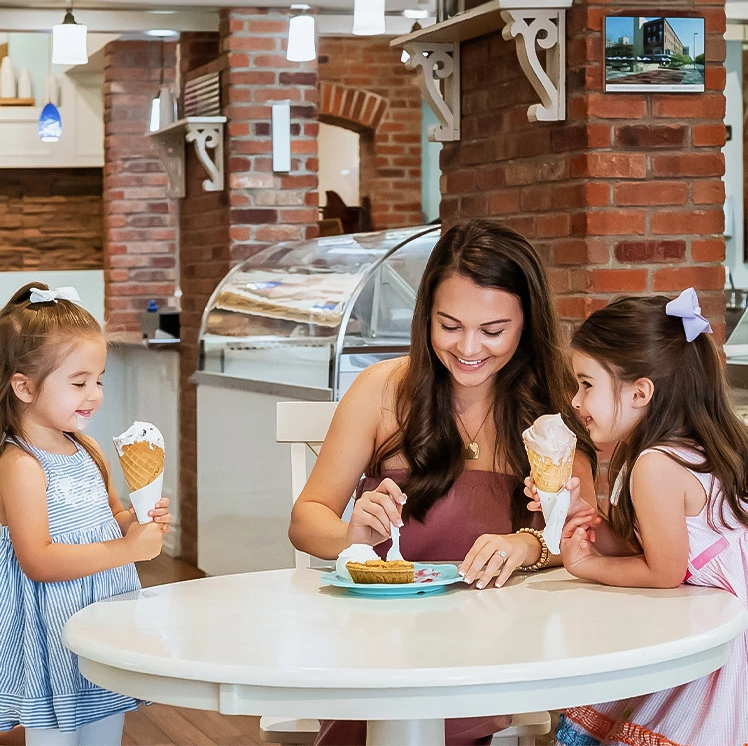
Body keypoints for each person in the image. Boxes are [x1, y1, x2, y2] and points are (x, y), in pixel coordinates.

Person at [289, 219, 598, 746]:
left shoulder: (554, 410)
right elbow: (305, 519)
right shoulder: (384, 390)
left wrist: (526, 545)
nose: (468, 348)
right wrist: (351, 536)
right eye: (448, 326)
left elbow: (581, 535)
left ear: (528, 322)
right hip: (383, 638)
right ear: (425, 316)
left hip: (499, 641)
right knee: (382, 703)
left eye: (493, 330)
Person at [532, 290, 748, 746]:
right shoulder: (688, 448)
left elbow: (665, 570)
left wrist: (589, 565)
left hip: (716, 645)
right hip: (708, 621)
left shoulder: (656, 465)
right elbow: (653, 547)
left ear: (640, 392)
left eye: (587, 384)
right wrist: (583, 518)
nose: (575, 400)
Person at [0, 283, 172, 746]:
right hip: (52, 627)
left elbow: (113, 514)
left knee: (104, 723)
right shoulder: (21, 465)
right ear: (23, 386)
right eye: (79, 382)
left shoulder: (89, 449)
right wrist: (126, 549)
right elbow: (38, 561)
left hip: (103, 613)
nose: (94, 394)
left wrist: (138, 523)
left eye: (99, 380)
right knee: (56, 733)